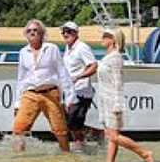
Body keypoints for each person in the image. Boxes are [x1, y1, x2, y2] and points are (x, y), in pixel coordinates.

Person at [12, 19, 75, 152]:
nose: (32, 33)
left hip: (50, 93)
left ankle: (66, 156)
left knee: (60, 131)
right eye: (29, 31)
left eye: (35, 30)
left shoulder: (52, 48)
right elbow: (21, 78)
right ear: (25, 34)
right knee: (18, 130)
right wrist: (17, 102)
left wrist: (69, 97)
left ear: (42, 33)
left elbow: (62, 72)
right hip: (30, 93)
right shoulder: (23, 52)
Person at [97, 28, 154, 162]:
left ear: (113, 40)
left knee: (113, 136)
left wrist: (117, 104)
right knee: (110, 135)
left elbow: (118, 82)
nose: (102, 38)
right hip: (105, 100)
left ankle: (145, 153)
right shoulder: (108, 57)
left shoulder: (116, 57)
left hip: (112, 100)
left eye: (106, 36)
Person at [60, 21, 98, 152]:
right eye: (63, 32)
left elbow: (93, 66)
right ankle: (94, 135)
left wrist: (79, 77)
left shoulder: (82, 47)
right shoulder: (67, 48)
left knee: (72, 122)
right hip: (70, 92)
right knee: (69, 122)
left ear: (76, 33)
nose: (66, 34)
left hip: (82, 92)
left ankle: (80, 145)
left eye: (69, 31)